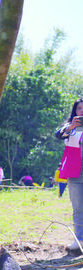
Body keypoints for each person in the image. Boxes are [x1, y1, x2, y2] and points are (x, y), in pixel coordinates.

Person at [55, 98, 83, 253]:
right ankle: (79, 240)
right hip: (75, 174)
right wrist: (71, 126)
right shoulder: (70, 128)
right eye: (80, 108)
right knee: (78, 208)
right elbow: (58, 135)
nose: (82, 110)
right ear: (75, 111)